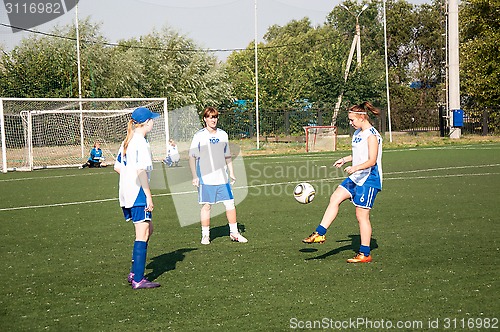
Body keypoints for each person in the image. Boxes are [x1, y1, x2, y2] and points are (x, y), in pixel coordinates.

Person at [302, 101, 382, 263]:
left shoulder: (372, 135)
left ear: (362, 117)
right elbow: (359, 154)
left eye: (352, 120)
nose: (350, 123)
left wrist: (356, 168)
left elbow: (372, 160)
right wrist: (346, 159)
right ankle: (320, 233)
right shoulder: (359, 133)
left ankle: (365, 253)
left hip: (369, 179)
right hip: (357, 176)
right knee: (335, 197)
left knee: (361, 216)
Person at [114, 107, 161, 289]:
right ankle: (138, 278)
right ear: (146, 122)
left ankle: (135, 270)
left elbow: (118, 167)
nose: (153, 122)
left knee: (149, 228)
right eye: (152, 120)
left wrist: (128, 177)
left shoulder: (129, 140)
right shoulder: (140, 142)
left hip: (127, 193)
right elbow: (141, 171)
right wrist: (148, 196)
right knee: (142, 233)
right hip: (138, 193)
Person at [189, 107, 247, 245]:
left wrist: (231, 172)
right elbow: (192, 157)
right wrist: (194, 176)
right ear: (205, 119)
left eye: (215, 117)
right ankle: (205, 235)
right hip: (205, 177)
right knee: (207, 206)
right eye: (210, 117)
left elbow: (227, 154)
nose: (213, 120)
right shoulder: (199, 136)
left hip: (222, 177)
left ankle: (234, 233)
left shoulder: (223, 134)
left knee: (230, 203)